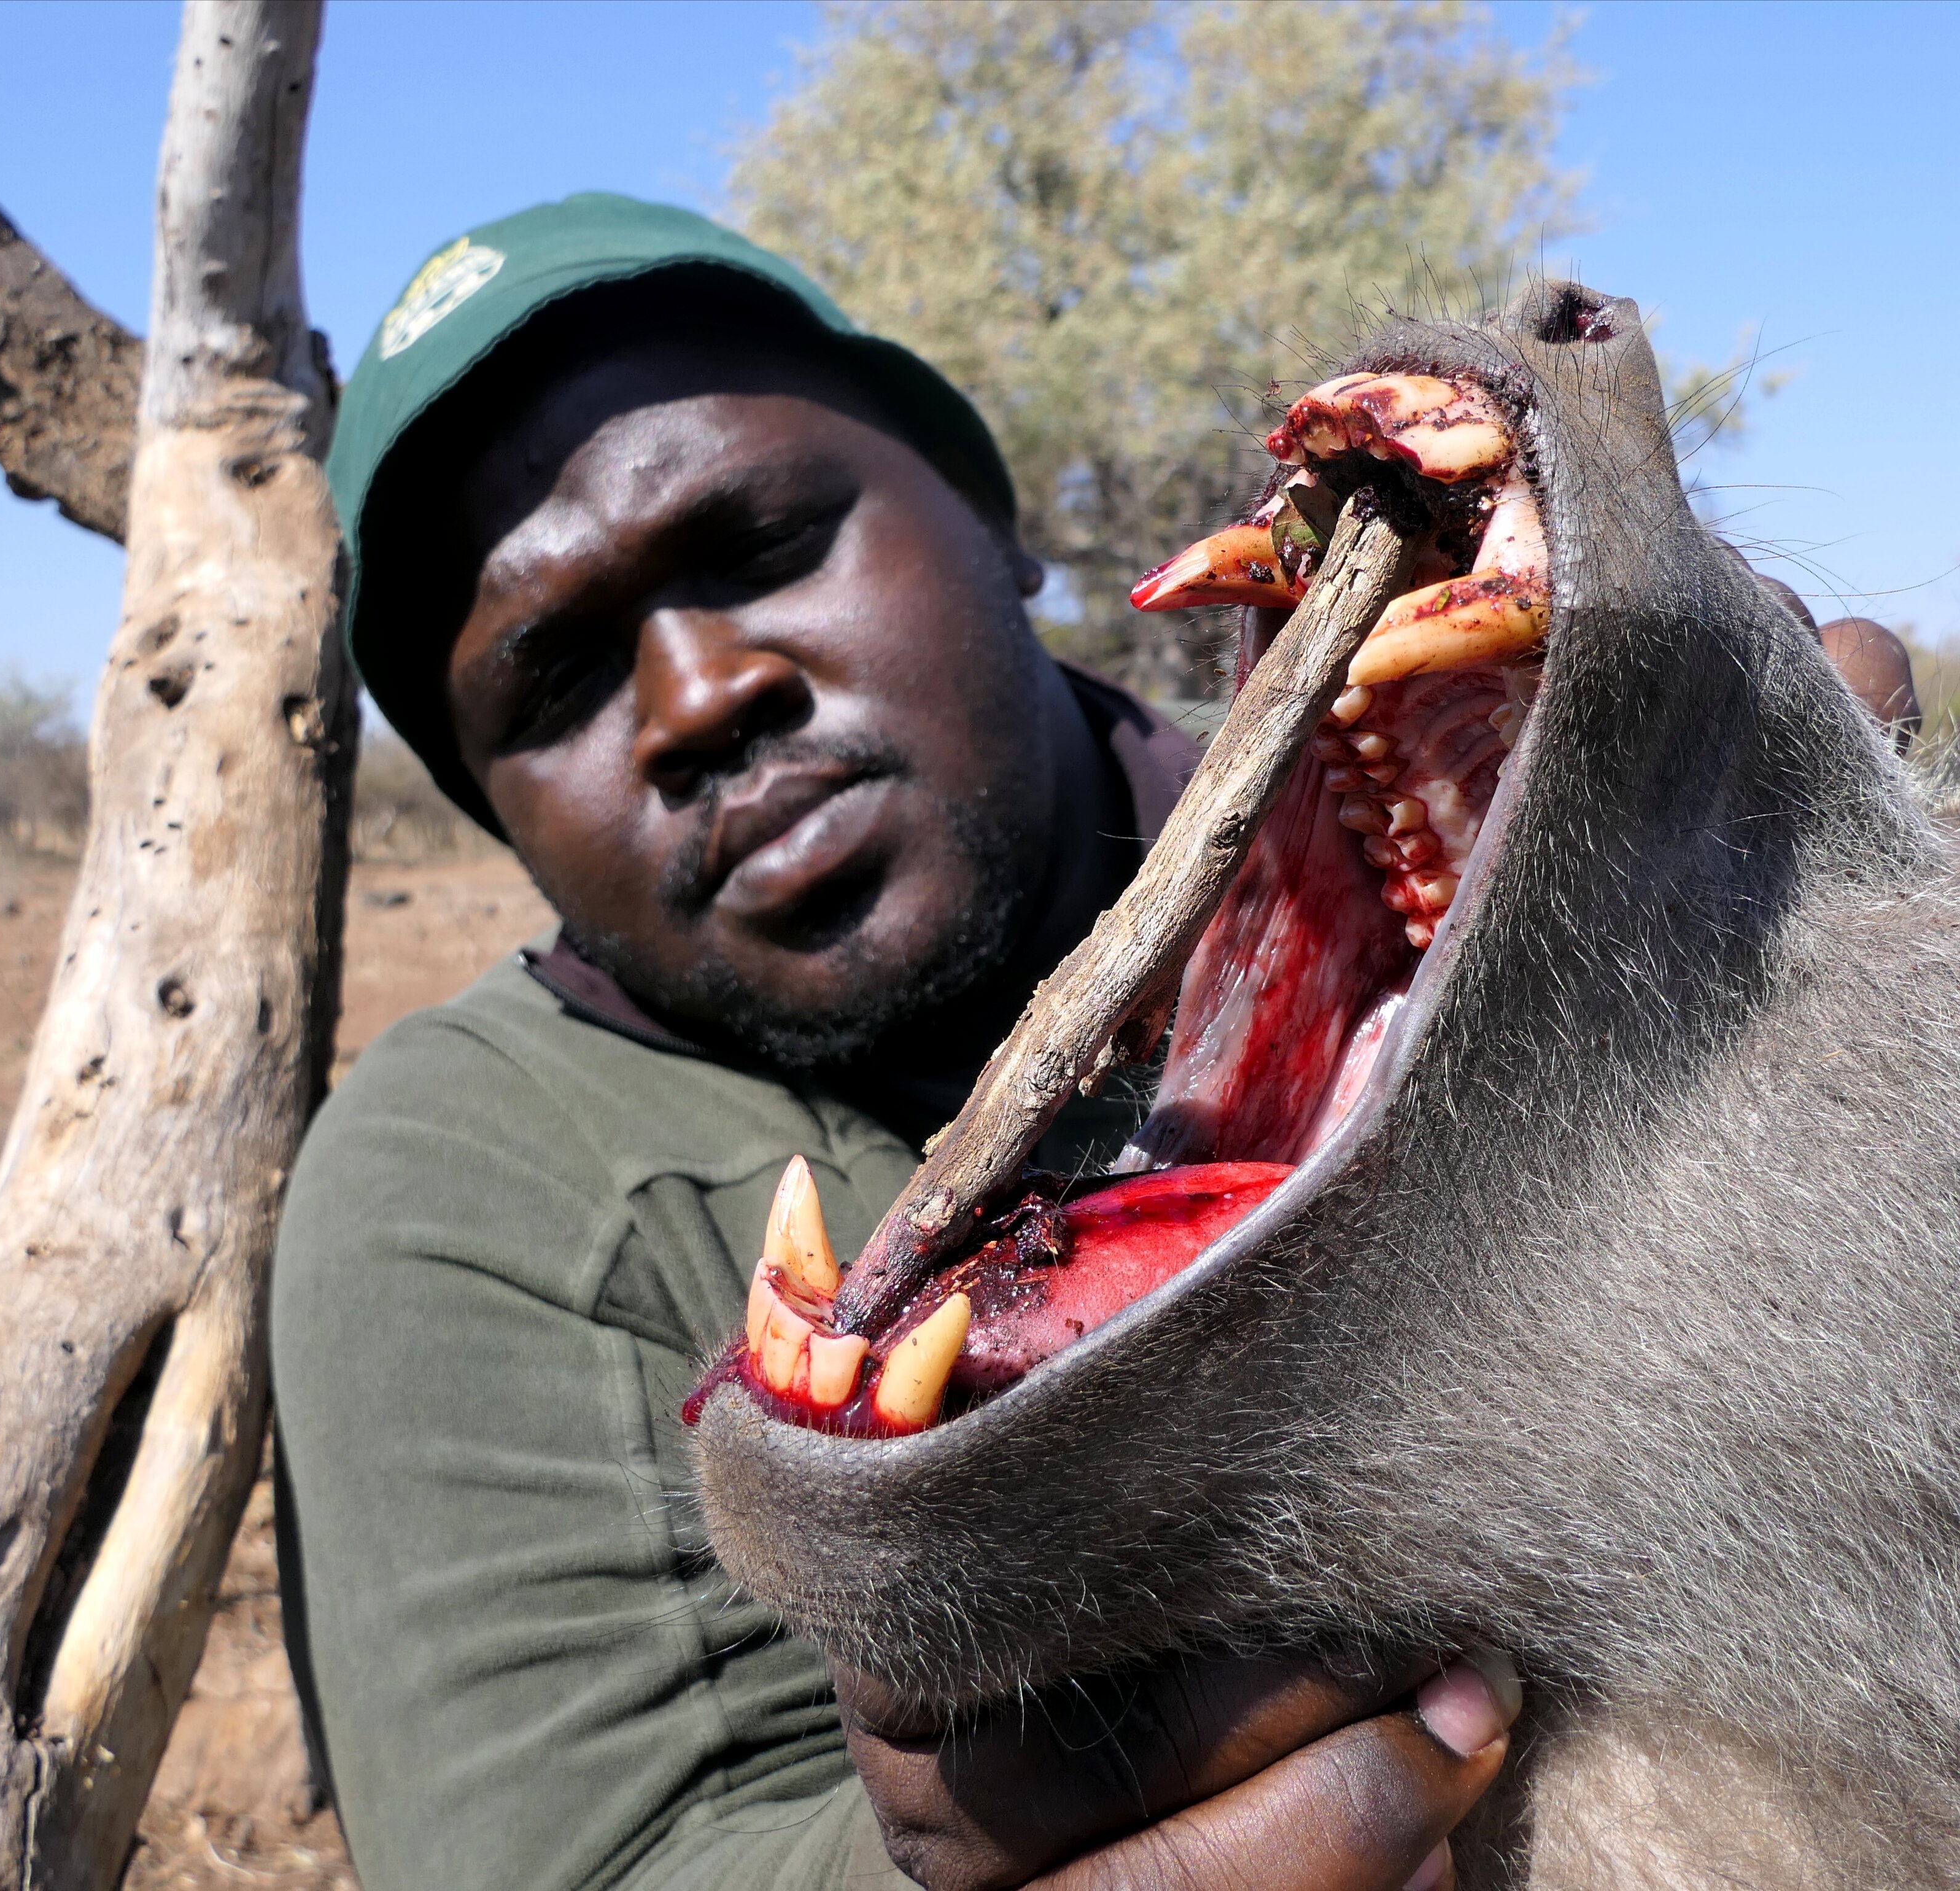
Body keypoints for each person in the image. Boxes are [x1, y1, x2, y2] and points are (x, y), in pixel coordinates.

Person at [271, 194, 1517, 1891]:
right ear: (500, 819)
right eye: (552, 680)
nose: (702, 696)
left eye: (763, 540)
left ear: (992, 517)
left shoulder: (1491, 812)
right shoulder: (468, 1177)